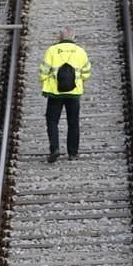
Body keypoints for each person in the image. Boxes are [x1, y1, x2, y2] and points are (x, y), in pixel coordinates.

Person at [39, 26, 92, 163]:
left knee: (52, 121)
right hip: (74, 93)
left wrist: (46, 82)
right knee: (73, 122)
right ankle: (73, 153)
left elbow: (43, 72)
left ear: (60, 37)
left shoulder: (52, 51)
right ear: (73, 37)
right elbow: (87, 73)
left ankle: (55, 149)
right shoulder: (80, 52)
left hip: (55, 93)